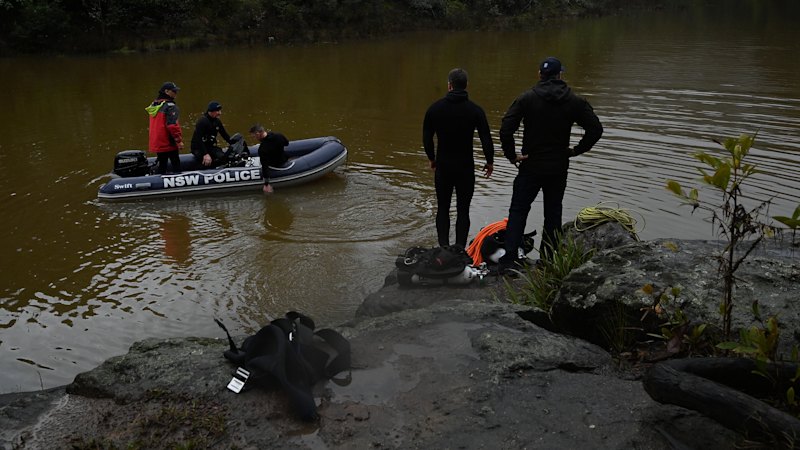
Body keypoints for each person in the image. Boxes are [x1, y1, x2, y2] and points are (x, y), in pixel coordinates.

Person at [498, 56, 603, 270]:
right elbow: (595, 129)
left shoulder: (527, 98)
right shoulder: (574, 101)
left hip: (531, 165)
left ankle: (509, 261)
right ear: (560, 75)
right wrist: (575, 150)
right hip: (558, 166)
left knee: (518, 210)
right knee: (553, 212)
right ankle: (548, 261)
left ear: (540, 75)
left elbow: (506, 128)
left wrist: (512, 156)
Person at [422, 68, 494, 249]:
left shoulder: (435, 109)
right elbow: (486, 137)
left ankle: (443, 248)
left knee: (443, 208)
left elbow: (427, 137)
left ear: (449, 85)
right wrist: (489, 161)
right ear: (466, 85)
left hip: (444, 167)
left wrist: (432, 158)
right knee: (463, 210)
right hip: (465, 168)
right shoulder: (475, 110)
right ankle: (460, 249)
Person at [146, 81, 184, 174]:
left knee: (162, 164)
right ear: (166, 92)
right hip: (168, 141)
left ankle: (158, 183)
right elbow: (172, 125)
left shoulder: (155, 105)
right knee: (176, 164)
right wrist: (178, 140)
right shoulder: (171, 107)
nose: (176, 93)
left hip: (157, 141)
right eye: (174, 91)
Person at [249, 124, 289, 194]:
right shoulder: (278, 135)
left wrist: (266, 184)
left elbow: (265, 167)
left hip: (275, 165)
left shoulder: (262, 149)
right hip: (283, 159)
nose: (254, 138)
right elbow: (286, 143)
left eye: (254, 137)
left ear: (258, 134)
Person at [191, 101, 233, 168]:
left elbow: (224, 135)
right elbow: (198, 139)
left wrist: (233, 143)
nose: (220, 113)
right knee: (207, 161)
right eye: (217, 111)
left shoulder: (217, 121)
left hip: (210, 146)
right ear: (211, 111)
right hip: (199, 148)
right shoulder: (202, 121)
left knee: (222, 157)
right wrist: (205, 154)